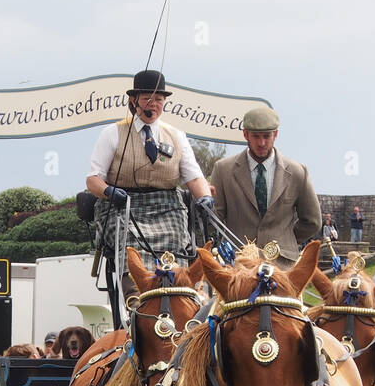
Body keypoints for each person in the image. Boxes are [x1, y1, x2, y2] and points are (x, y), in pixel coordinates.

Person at [86, 69, 211, 281]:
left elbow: (194, 177)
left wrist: (205, 198)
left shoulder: (177, 136)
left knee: (176, 240)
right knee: (129, 243)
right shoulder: (112, 133)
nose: (153, 104)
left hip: (168, 207)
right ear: (134, 101)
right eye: (147, 99)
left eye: (159, 99)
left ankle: (176, 293)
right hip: (124, 205)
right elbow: (93, 180)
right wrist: (109, 191)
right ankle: (135, 298)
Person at [210, 104, 321, 263]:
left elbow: (312, 221)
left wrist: (284, 239)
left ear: (275, 134)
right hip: (238, 264)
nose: (261, 143)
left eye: (266, 136)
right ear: (245, 134)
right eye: (256, 136)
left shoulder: (298, 172)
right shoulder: (223, 170)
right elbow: (214, 220)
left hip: (282, 265)